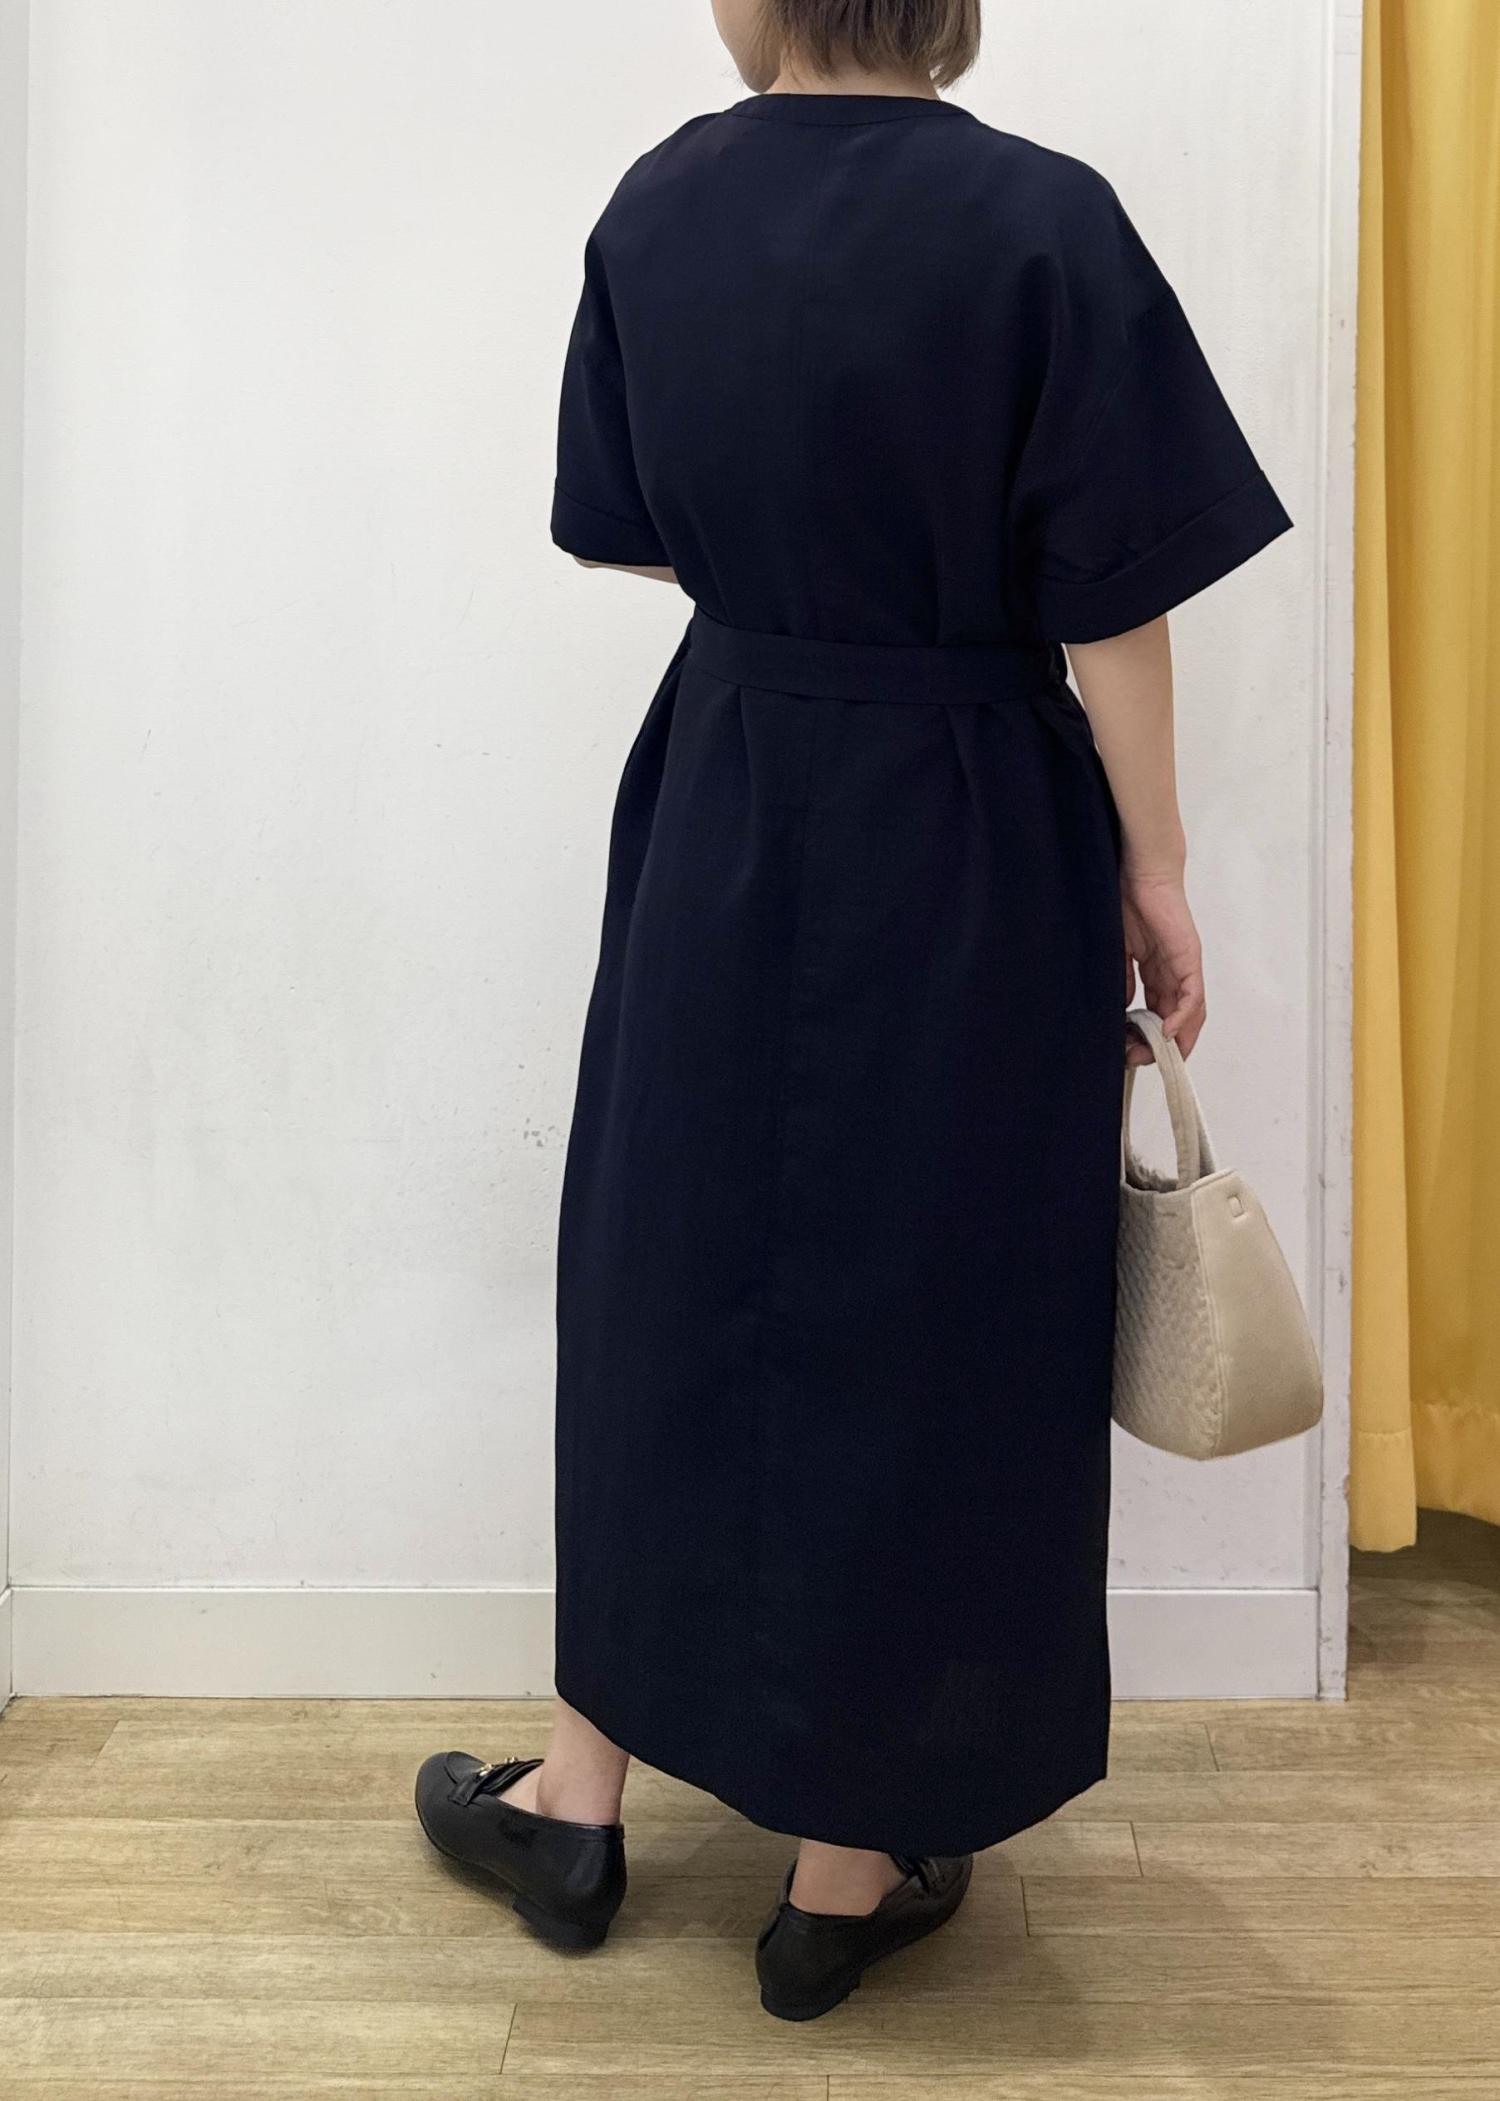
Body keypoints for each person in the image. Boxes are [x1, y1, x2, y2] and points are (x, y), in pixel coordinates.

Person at [416, 0, 1291, 2022]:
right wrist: (1157, 862)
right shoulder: (1044, 224)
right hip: (971, 811)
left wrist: (802, 595)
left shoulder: (658, 209)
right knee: (942, 1291)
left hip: (728, 780)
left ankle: (578, 1801)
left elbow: (636, 527)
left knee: (666, 1266)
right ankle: (842, 1866)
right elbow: (1112, 597)